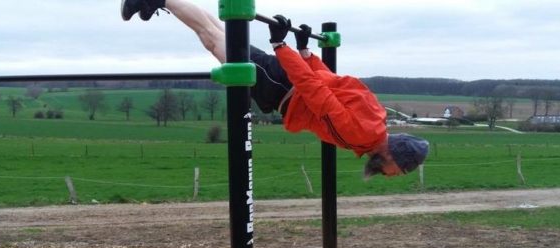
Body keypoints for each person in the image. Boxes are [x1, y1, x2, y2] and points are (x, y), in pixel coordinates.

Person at [121, 0, 429, 178]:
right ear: (392, 157)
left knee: (218, 34)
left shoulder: (376, 118)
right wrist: (281, 45)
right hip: (281, 89)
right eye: (398, 171)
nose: (393, 175)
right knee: (213, 39)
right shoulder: (362, 134)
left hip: (286, 79)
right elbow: (313, 92)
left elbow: (329, 81)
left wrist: (305, 51)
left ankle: (159, 1)